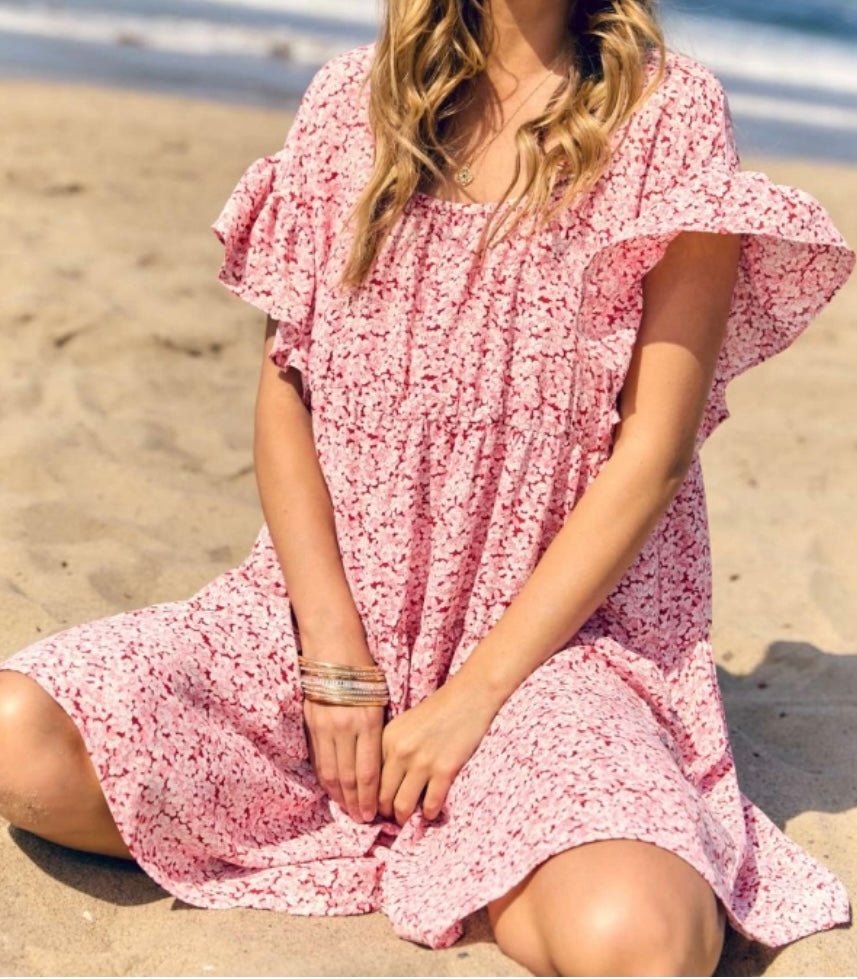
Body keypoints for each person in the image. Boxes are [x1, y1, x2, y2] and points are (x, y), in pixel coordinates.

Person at [0, 0, 853, 975]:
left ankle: (485, 826)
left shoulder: (664, 119)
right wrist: (332, 658)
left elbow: (650, 455)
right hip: (325, 640)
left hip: (549, 657)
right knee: (21, 736)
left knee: (640, 940)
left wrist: (468, 704)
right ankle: (436, 834)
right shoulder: (345, 108)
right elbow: (286, 398)